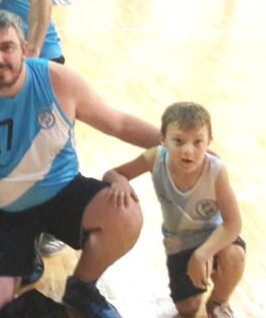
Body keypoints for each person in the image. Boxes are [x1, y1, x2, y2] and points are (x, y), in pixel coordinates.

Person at [0, 10, 161, 318]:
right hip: (1, 210)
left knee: (125, 215)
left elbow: (119, 123)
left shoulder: (58, 81)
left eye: (7, 47)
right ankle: (29, 265)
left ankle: (82, 287)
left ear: (25, 49)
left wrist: (173, 141)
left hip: (62, 192)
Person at [103, 102, 244, 318]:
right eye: (178, 141)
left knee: (235, 255)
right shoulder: (155, 158)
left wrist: (203, 254)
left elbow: (233, 224)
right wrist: (119, 181)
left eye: (198, 142)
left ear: (209, 142)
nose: (188, 150)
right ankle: (198, 284)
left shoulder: (216, 169)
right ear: (163, 139)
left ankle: (218, 301)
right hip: (179, 243)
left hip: (212, 237)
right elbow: (113, 173)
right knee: (187, 309)